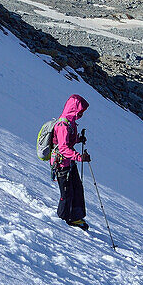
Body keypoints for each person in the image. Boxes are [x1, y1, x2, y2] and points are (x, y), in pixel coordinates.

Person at [51, 94, 91, 229]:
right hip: (62, 163)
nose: (81, 114)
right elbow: (63, 148)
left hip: (68, 162)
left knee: (77, 188)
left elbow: (67, 142)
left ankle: (75, 217)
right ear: (74, 108)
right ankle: (63, 220)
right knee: (67, 192)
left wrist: (79, 140)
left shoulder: (70, 123)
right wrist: (80, 157)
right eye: (80, 111)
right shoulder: (63, 124)